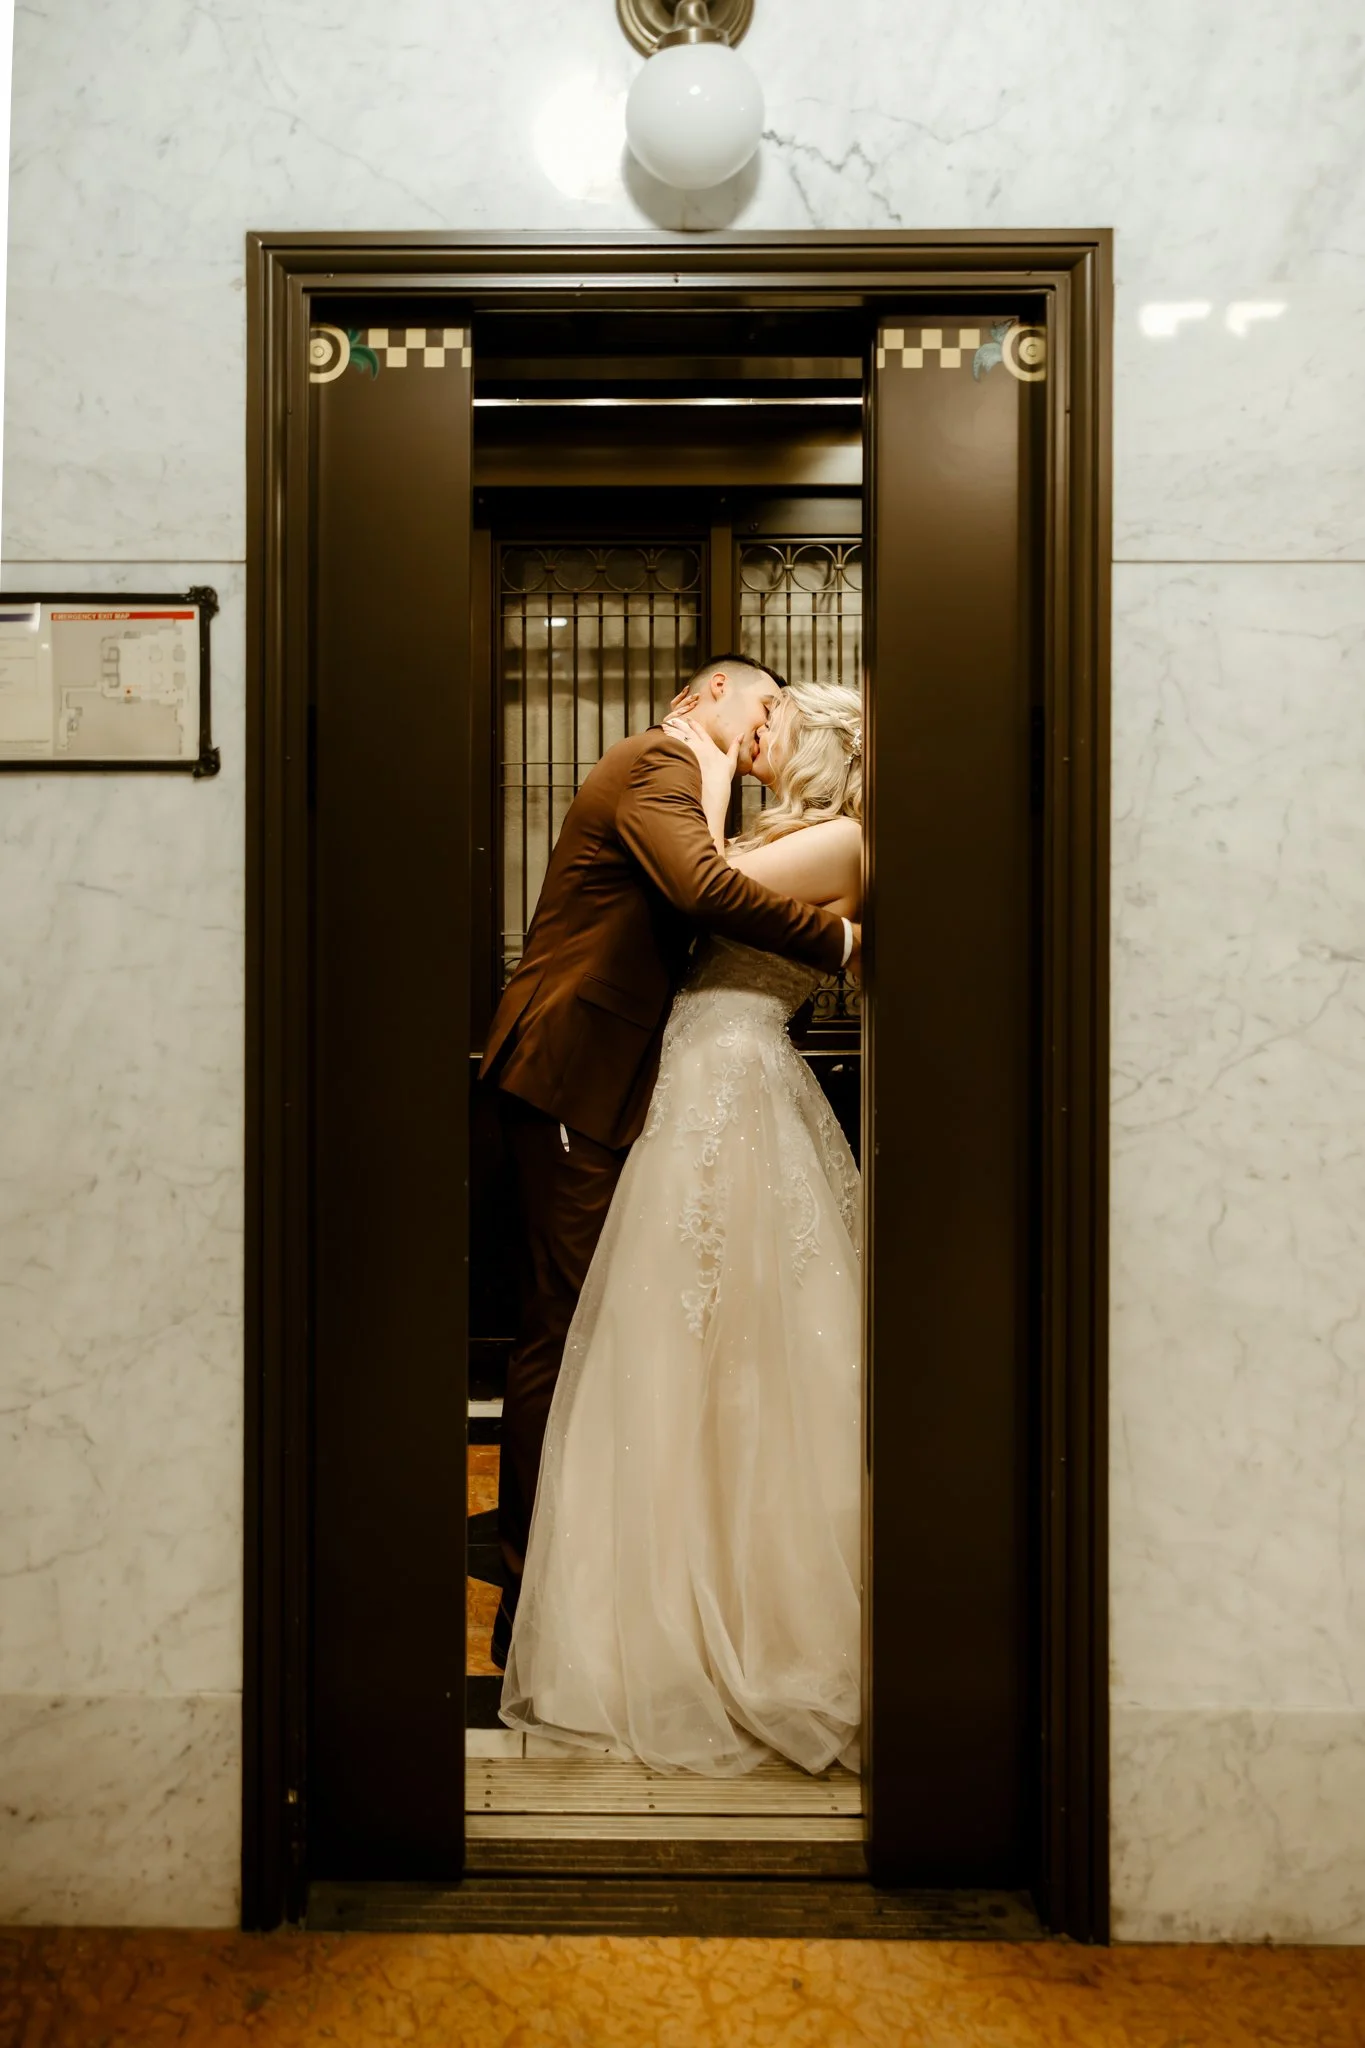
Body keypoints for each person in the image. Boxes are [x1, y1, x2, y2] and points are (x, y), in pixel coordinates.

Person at [500, 682, 864, 1776]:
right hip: (670, 1079)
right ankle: (571, 1582)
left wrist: (837, 930)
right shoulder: (679, 777)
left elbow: (699, 890)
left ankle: (697, 1596)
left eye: (775, 734)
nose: (757, 744)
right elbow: (693, 881)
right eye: (753, 724)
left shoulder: (828, 836)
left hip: (725, 1077)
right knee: (633, 1340)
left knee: (715, 1347)